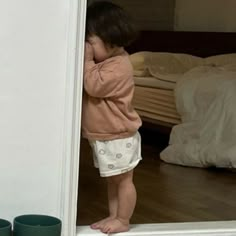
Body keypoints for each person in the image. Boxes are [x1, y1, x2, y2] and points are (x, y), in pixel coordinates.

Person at [82, 1, 142, 234]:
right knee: (113, 181)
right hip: (106, 135)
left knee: (124, 181)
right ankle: (114, 216)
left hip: (119, 135)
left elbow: (94, 86)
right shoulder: (106, 61)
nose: (87, 48)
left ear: (111, 39)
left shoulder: (119, 66)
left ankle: (123, 220)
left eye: (91, 43)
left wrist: (86, 61)